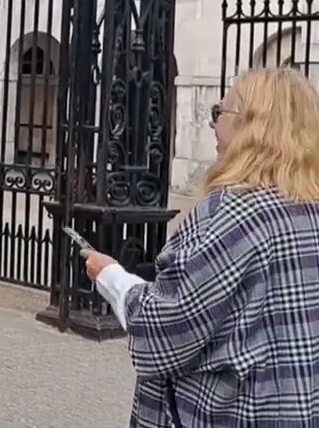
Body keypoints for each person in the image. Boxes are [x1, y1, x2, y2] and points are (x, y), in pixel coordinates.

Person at [82, 67, 319, 427]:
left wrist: (111, 277)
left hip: (237, 411)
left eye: (218, 114)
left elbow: (169, 325)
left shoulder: (235, 210)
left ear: (250, 126)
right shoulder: (309, 207)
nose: (213, 126)